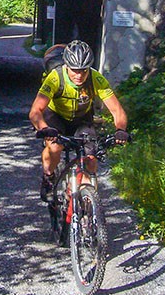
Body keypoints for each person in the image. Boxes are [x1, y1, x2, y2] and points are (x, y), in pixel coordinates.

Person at [28, 39, 130, 201]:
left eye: (83, 70)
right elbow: (35, 111)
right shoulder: (55, 78)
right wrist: (44, 128)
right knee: (55, 147)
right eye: (74, 70)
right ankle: (49, 177)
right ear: (66, 66)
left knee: (91, 157)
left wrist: (120, 130)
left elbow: (117, 110)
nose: (79, 75)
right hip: (56, 116)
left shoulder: (96, 79)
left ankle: (89, 204)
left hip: (82, 119)